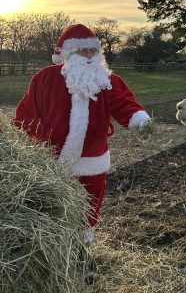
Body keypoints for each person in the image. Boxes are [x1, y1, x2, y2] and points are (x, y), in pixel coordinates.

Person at [14, 23, 151, 243]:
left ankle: (82, 249)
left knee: (90, 205)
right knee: (50, 206)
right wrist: (18, 140)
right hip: (52, 157)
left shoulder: (108, 80)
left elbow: (124, 103)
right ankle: (52, 246)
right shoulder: (45, 78)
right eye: (82, 50)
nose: (88, 55)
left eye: (92, 51)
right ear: (67, 53)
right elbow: (27, 112)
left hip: (93, 158)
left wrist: (139, 120)